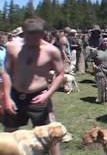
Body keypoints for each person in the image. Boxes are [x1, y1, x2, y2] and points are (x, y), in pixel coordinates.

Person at [1, 18, 64, 154]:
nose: (33, 41)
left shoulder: (51, 51)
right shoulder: (12, 47)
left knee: (50, 132)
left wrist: (48, 94)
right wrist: (7, 98)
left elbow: (60, 74)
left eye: (37, 37)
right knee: (10, 131)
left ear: (42, 34)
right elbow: (6, 72)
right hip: (15, 94)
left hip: (39, 96)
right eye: (29, 36)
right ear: (24, 33)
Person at [93, 35, 107, 103]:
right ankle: (100, 98)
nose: (105, 42)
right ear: (101, 42)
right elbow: (91, 59)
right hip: (100, 69)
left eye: (106, 41)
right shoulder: (96, 50)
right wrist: (94, 65)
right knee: (101, 85)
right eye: (104, 41)